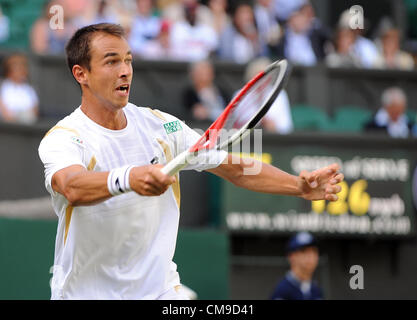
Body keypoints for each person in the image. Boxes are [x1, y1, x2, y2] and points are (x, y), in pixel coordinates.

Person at [38, 23, 344, 300]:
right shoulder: (63, 137)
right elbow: (71, 186)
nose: (125, 70)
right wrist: (130, 178)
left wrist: (297, 186)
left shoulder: (164, 127)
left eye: (129, 60)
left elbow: (237, 167)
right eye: (112, 61)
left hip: (159, 292)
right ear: (81, 74)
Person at [242, 57, 293, 134]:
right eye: (258, 78)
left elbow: (287, 127)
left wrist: (273, 126)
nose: (263, 81)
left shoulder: (280, 95)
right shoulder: (240, 96)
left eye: (266, 77)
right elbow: (237, 126)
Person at [270, 231, 323, 300]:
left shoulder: (316, 290)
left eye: (314, 251)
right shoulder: (282, 291)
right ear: (291, 257)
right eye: (304, 251)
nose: (311, 256)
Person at [0, 53, 39, 124]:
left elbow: (35, 112)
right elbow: (4, 112)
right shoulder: (3, 87)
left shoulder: (29, 89)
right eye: (17, 68)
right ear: (9, 70)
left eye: (23, 67)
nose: (22, 71)